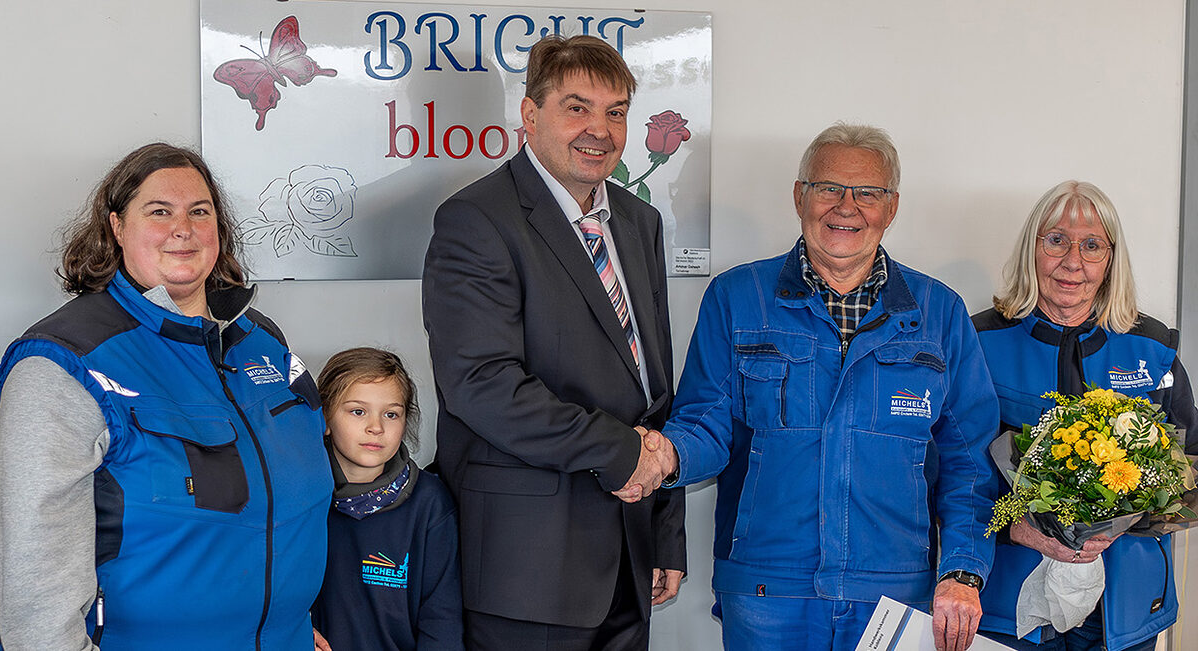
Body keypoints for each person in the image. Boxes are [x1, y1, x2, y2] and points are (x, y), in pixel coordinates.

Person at [645, 124, 999, 651]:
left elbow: (969, 462)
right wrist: (663, 456)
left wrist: (964, 571)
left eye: (867, 193)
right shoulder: (737, 298)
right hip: (769, 591)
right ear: (799, 195)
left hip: (897, 594)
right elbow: (704, 424)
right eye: (829, 187)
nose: (847, 206)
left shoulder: (939, 312)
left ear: (892, 206)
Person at [0, 143, 331, 650]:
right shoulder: (62, 363)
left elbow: (291, 508)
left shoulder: (263, 342)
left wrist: (293, 624)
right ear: (117, 227)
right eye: (159, 212)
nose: (183, 228)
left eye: (200, 211)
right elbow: (35, 597)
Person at [421, 34, 687, 650]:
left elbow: (654, 387)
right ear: (530, 114)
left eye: (615, 112)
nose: (599, 129)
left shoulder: (638, 220)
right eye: (577, 107)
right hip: (528, 567)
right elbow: (480, 385)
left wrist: (666, 528)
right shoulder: (476, 221)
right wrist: (621, 453)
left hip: (630, 554)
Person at [972, 180, 1198, 651]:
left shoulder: (1153, 348)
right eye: (1056, 240)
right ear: (1032, 249)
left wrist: (1127, 516)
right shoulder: (978, 342)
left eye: (1092, 245)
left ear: (1111, 259)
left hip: (1125, 612)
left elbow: (1191, 464)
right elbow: (947, 475)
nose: (1072, 261)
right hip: (1010, 609)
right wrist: (1020, 528)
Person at [310, 347, 462, 650]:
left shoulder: (429, 503)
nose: (376, 427)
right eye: (358, 411)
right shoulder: (300, 496)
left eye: (391, 414)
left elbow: (442, 620)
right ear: (324, 418)